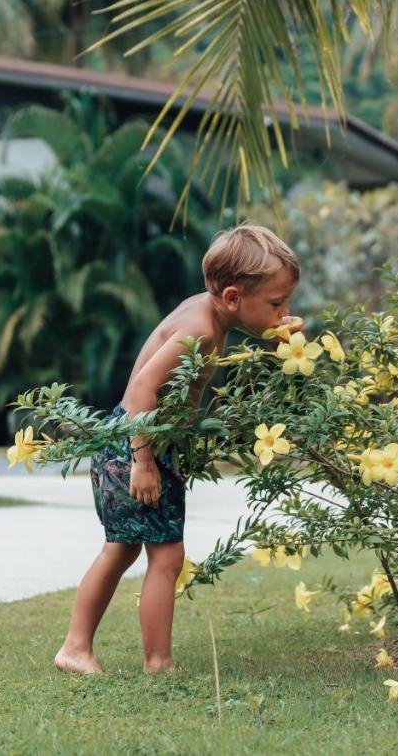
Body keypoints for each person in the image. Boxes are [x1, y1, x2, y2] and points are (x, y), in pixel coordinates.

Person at [53, 224, 301, 674]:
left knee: (123, 549)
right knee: (162, 556)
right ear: (231, 296)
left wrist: (274, 330)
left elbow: (179, 380)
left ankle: (79, 647)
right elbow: (145, 387)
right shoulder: (201, 331)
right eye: (276, 303)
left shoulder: (207, 310)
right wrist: (145, 461)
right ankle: (152, 661)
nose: (285, 312)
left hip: (135, 442)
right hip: (134, 446)